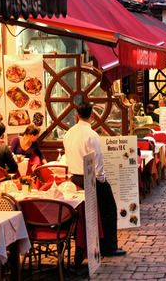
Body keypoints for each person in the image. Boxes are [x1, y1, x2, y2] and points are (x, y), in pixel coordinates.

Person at [64, 102, 126, 256]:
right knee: (109, 210)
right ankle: (109, 247)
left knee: (92, 212)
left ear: (77, 115)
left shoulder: (69, 133)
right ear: (92, 115)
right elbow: (98, 159)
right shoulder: (92, 135)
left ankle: (93, 244)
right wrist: (101, 178)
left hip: (74, 178)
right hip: (90, 179)